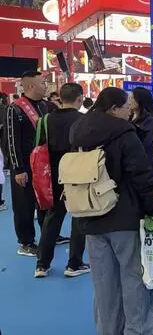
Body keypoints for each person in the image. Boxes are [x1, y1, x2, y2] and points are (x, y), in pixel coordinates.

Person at [69, 87, 153, 335]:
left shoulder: (78, 132)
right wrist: (150, 213)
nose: (129, 110)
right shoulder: (125, 134)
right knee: (133, 276)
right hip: (124, 214)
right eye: (125, 106)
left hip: (89, 214)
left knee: (103, 282)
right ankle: (138, 329)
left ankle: (109, 330)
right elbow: (142, 177)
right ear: (114, 109)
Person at [6, 71, 66, 257]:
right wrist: (17, 168)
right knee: (24, 205)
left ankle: (49, 234)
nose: (46, 86)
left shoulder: (45, 106)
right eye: (42, 83)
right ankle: (26, 242)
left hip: (44, 163)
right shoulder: (15, 109)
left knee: (46, 201)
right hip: (24, 165)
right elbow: (11, 140)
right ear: (31, 86)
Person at [35, 83, 89, 278]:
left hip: (53, 175)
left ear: (60, 98)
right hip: (78, 174)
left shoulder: (44, 120)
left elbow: (38, 147)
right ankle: (74, 264)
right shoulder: (84, 120)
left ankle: (42, 265)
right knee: (79, 217)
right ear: (80, 98)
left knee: (53, 217)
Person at [130, 87, 153, 167]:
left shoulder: (150, 119)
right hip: (131, 160)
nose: (129, 101)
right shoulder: (129, 115)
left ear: (140, 100)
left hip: (144, 161)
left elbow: (145, 142)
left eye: (132, 98)